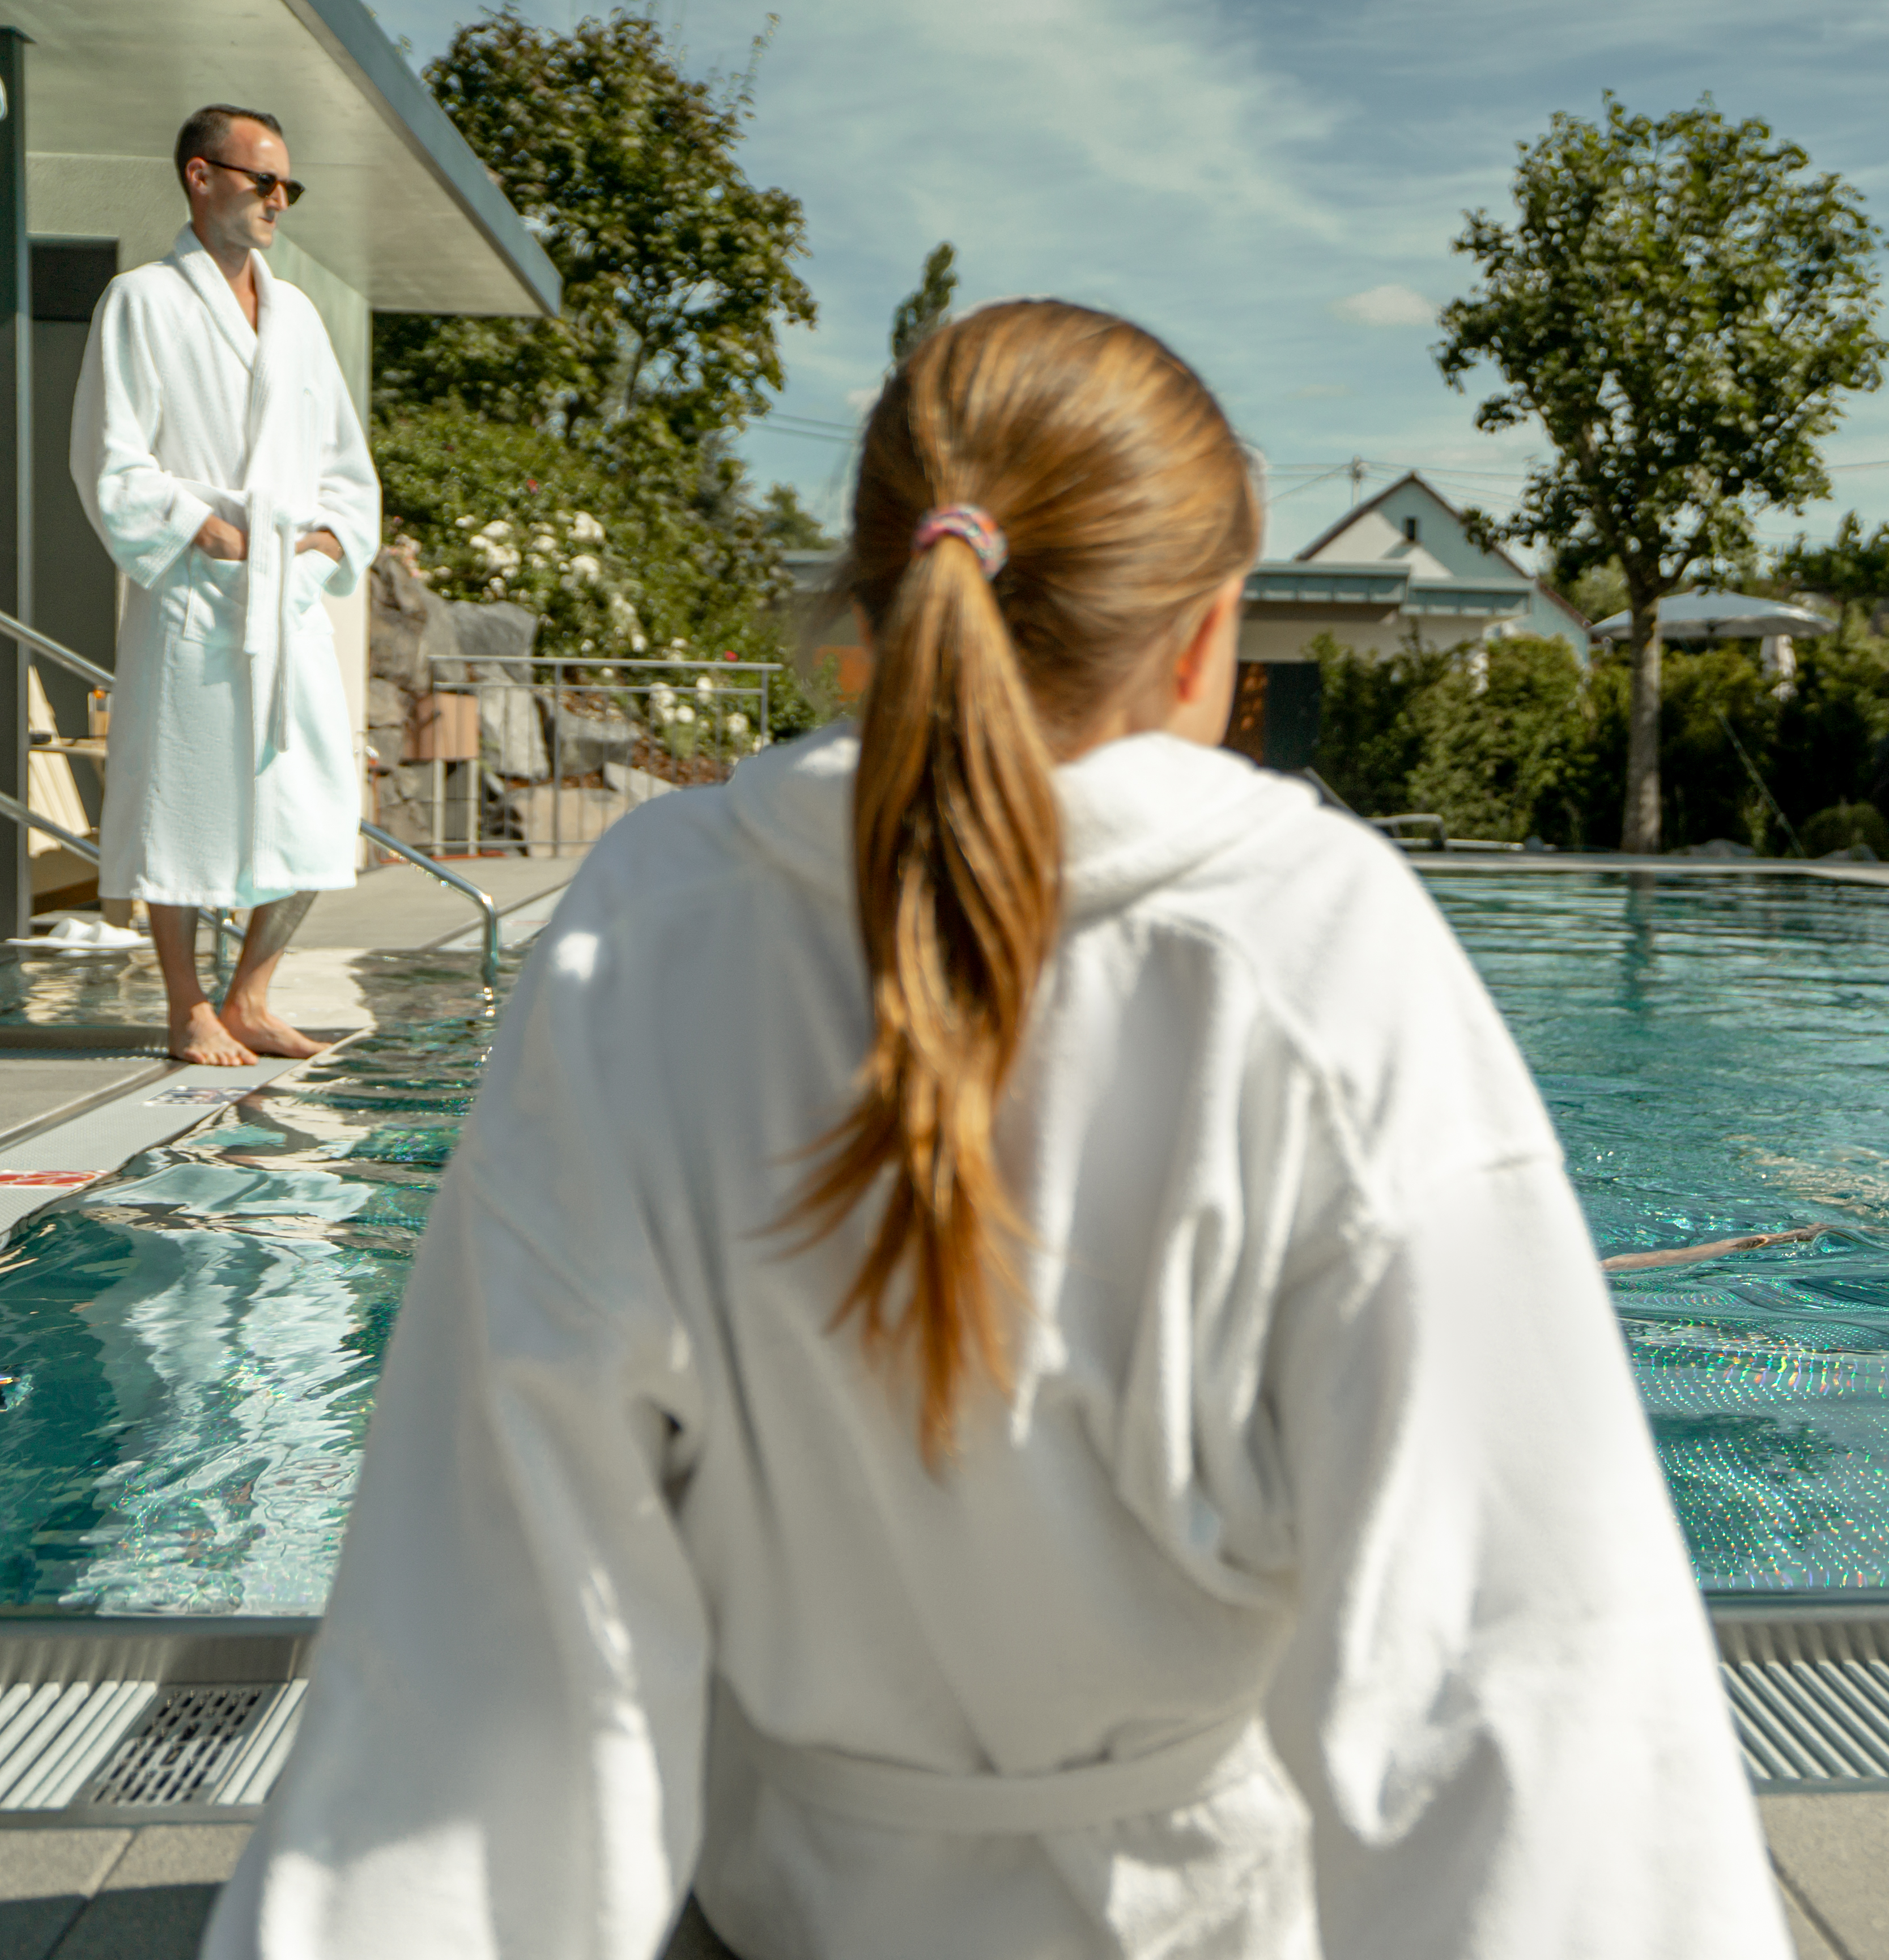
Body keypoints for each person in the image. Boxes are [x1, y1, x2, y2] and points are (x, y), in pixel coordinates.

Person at [202, 303, 1786, 1958]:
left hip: (777, 1907)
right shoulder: (1315, 948)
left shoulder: (651, 930)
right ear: (1204, 639)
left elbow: (485, 1636)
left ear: (866, 605)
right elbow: (1519, 1666)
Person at [73, 105, 377, 1068]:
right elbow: (109, 454)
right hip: (196, 588)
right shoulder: (142, 300)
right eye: (263, 181)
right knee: (180, 796)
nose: (280, 200)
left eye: (290, 186)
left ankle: (250, 998)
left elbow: (346, 465)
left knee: (315, 800)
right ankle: (187, 1006)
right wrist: (195, 528)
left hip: (287, 593)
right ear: (201, 178)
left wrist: (325, 542)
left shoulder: (301, 318)